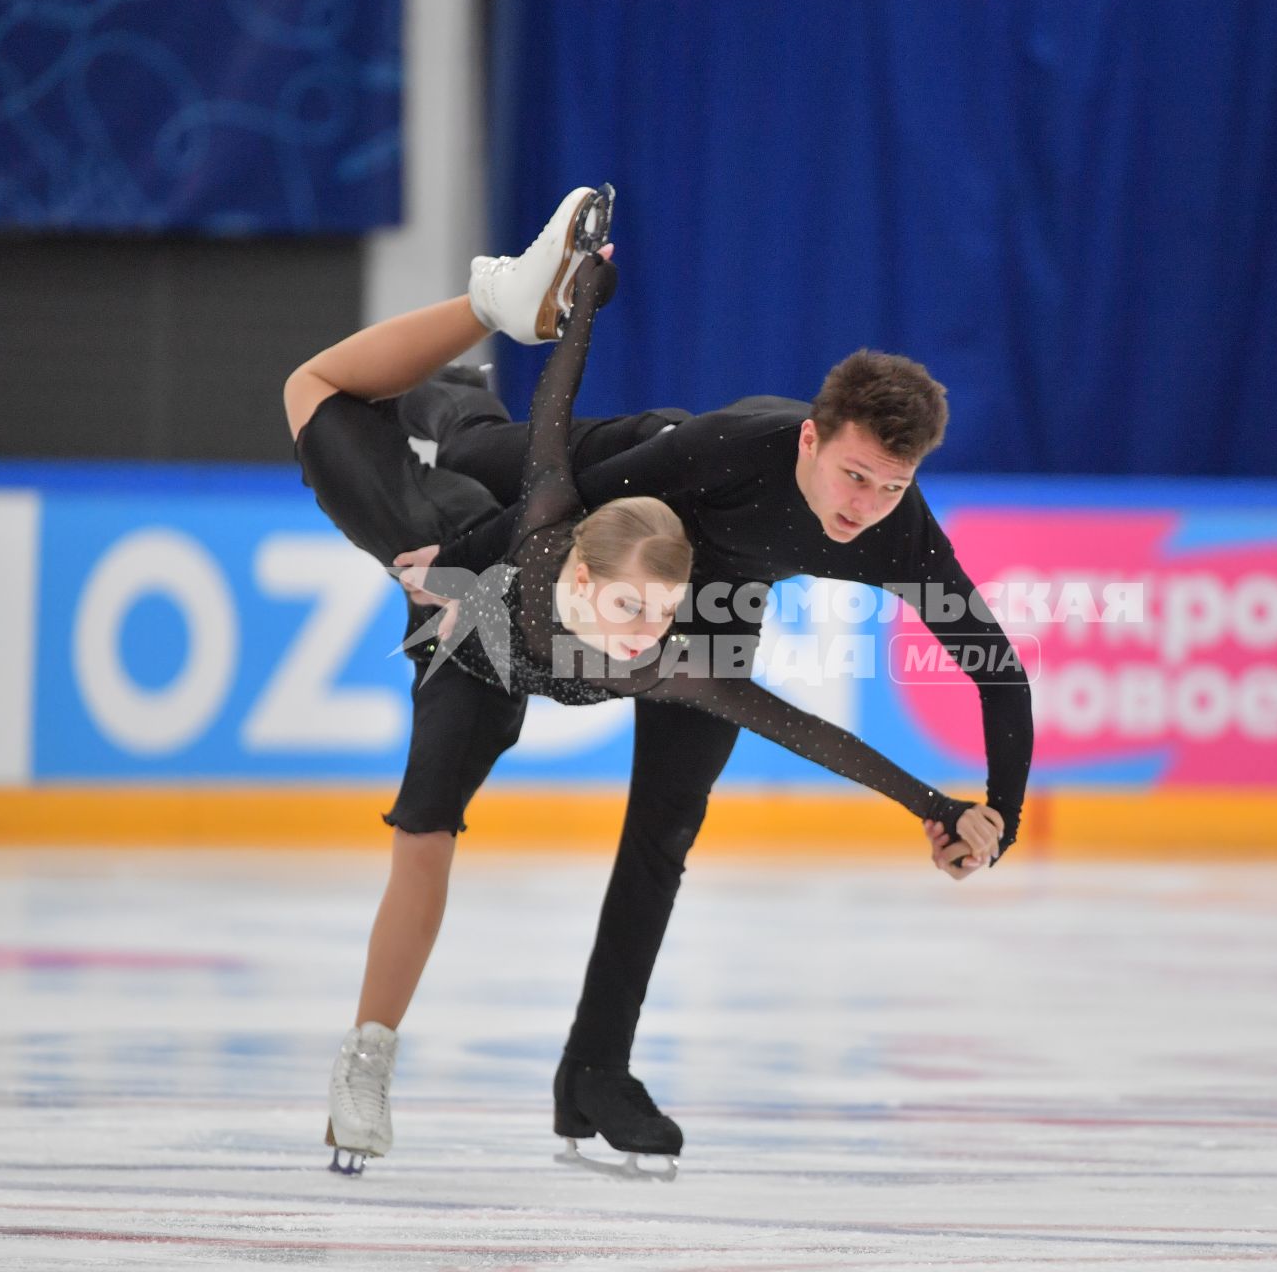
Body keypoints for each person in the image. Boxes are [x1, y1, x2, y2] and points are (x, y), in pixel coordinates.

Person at [282, 186, 1003, 1176]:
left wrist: (947, 802)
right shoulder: (570, 529)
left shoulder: (677, 645)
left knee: (666, 822)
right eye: (855, 476)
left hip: (649, 542)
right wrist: (574, 303)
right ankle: (477, 337)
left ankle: (597, 1069)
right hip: (523, 571)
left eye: (892, 484)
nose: (868, 503)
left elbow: (826, 718)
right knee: (416, 440)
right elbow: (555, 428)